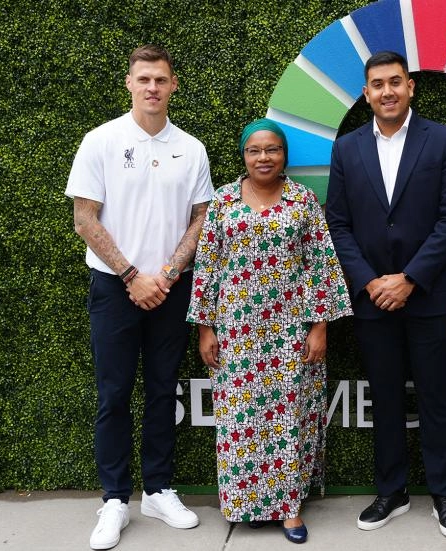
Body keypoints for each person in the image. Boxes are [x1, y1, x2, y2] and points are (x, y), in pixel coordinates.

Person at [66, 44, 214, 550]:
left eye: (161, 79)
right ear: (129, 83)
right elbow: (85, 217)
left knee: (161, 388)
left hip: (171, 287)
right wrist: (132, 275)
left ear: (174, 86)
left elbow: (201, 217)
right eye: (143, 78)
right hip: (114, 286)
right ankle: (114, 500)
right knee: (113, 393)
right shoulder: (101, 141)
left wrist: (168, 272)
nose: (152, 87)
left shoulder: (191, 148)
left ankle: (158, 489)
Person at [325, 51, 446, 539]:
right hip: (370, 298)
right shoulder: (346, 149)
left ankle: (445, 496)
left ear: (411, 87)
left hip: (428, 294)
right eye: (377, 85)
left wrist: (408, 278)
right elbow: (338, 225)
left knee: (435, 397)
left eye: (395, 82)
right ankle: (392, 492)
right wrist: (370, 281)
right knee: (384, 397)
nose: (386, 92)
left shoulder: (445, 140)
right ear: (366, 94)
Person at [187, 119, 352, 544]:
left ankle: (289, 508)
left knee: (288, 419)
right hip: (237, 330)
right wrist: (206, 328)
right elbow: (207, 267)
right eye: (254, 150)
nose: (264, 157)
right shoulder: (223, 200)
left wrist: (320, 328)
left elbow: (322, 266)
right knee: (240, 418)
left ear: (285, 155)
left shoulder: (302, 200)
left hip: (290, 331)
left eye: (273, 149)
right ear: (243, 155)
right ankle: (248, 505)